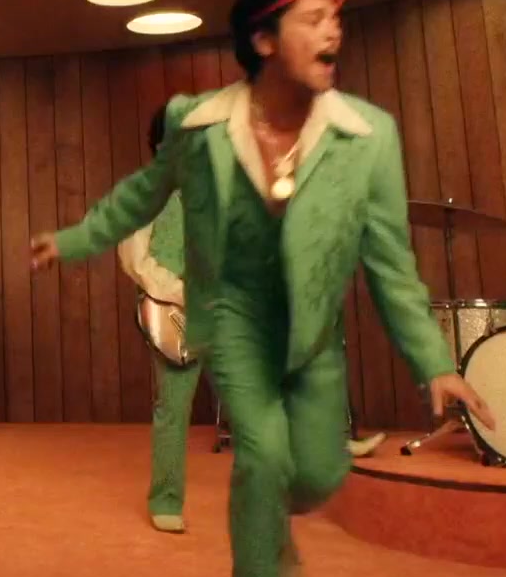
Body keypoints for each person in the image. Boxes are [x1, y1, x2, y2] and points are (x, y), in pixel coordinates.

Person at [31, 0, 494, 577]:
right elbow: (143, 194)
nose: (333, 31)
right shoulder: (196, 122)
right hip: (235, 318)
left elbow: (390, 263)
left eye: (336, 19)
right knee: (262, 453)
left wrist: (434, 361)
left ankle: (273, 525)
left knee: (318, 474)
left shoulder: (369, 136)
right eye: (313, 18)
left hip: (313, 330)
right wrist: (76, 239)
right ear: (264, 39)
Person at [123, 104, 387, 536]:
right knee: (174, 407)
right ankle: (165, 499)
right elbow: (136, 259)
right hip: (174, 314)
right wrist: (181, 291)